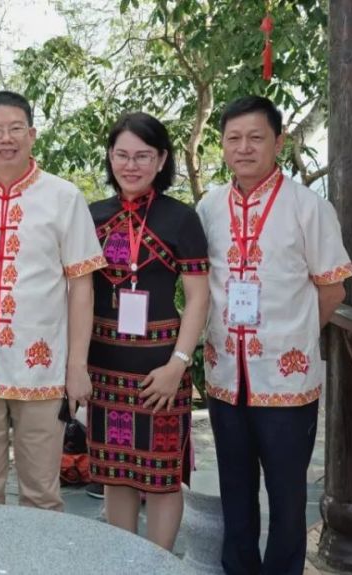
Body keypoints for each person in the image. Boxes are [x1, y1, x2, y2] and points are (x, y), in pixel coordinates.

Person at [197, 95, 352, 575]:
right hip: (226, 373)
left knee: (288, 498)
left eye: (256, 137)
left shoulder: (309, 207)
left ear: (278, 142)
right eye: (234, 139)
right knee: (234, 489)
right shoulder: (208, 206)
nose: (244, 148)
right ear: (222, 145)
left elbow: (333, 287)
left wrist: (295, 337)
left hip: (287, 381)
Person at [0, 90, 105, 510]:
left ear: (31, 134)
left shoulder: (64, 197)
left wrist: (77, 367)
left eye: (14, 129)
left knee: (42, 495)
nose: (4, 138)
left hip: (41, 371)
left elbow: (82, 285)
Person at [85, 112, 210, 550]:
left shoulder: (182, 219)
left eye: (142, 155)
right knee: (114, 473)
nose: (131, 165)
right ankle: (125, 562)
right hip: (102, 369)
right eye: (122, 154)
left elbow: (198, 297)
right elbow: (77, 296)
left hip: (162, 371)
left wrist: (178, 364)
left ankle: (158, 564)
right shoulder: (91, 216)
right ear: (110, 158)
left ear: (161, 160)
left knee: (161, 480)